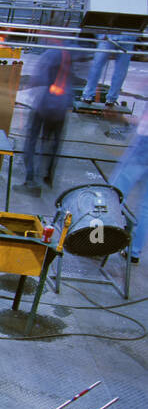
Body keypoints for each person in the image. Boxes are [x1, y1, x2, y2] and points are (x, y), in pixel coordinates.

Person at [22, 44, 74, 190]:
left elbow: (39, 79)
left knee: (32, 140)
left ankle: (30, 178)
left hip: (44, 105)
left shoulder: (50, 54)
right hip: (60, 108)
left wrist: (31, 90)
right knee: (52, 143)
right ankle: (47, 176)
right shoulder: (68, 54)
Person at [109, 107, 148, 264]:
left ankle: (98, 241)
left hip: (144, 146)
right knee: (146, 207)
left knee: (113, 195)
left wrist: (123, 119)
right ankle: (134, 252)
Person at [79, 30, 140, 108]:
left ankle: (89, 96)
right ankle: (109, 98)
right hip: (123, 36)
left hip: (114, 36)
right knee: (116, 68)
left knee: (99, 65)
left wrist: (100, 35)